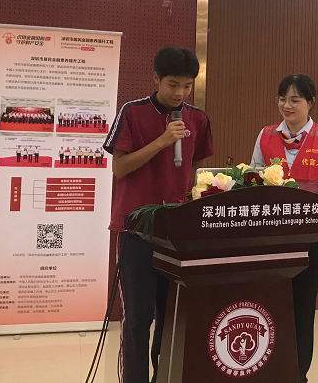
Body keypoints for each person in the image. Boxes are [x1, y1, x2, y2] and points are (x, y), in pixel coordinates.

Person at [104, 46, 213, 383]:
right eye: (172, 85)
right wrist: (162, 141)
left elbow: (195, 169)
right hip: (136, 229)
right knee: (138, 318)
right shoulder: (132, 112)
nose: (180, 93)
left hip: (177, 231)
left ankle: (163, 377)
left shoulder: (198, 118)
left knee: (172, 317)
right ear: (155, 78)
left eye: (187, 86)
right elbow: (119, 168)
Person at [250, 74, 318, 383]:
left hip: (309, 239)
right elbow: (253, 182)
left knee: (302, 307)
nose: (286, 106)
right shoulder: (265, 135)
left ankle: (298, 374)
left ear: (310, 103)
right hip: (271, 238)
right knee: (270, 305)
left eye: (295, 100)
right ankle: (268, 370)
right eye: (282, 99)